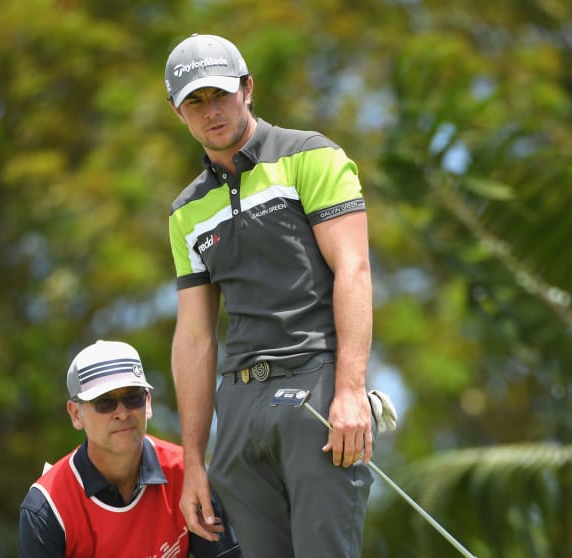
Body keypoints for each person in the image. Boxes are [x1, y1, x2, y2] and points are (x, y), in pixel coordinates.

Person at [165, 34, 375, 557]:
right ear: (178, 113)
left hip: (316, 387)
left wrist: (350, 390)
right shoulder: (185, 212)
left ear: (248, 88)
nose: (211, 110)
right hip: (237, 409)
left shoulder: (310, 156)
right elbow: (194, 337)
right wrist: (194, 461)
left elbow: (354, 268)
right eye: (195, 101)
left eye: (219, 94)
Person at [19, 339, 242, 557]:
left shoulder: (188, 475)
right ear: (76, 414)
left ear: (148, 403)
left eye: (133, 398)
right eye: (104, 402)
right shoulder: (47, 508)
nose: (123, 413)